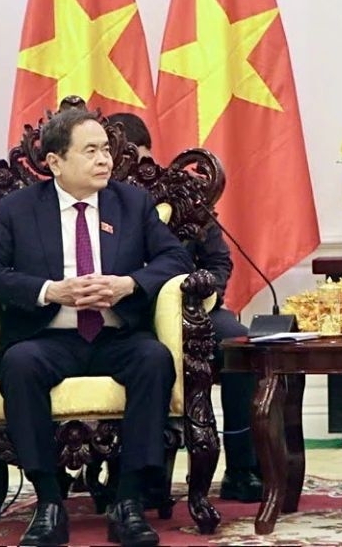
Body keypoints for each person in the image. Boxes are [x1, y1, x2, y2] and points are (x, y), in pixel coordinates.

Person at [0, 108, 193, 547]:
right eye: (90, 151)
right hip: (50, 336)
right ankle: (49, 502)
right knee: (19, 365)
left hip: (117, 335)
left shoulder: (132, 202)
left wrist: (129, 284)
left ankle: (128, 500)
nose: (104, 160)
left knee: (155, 359)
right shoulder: (19, 209)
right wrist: (50, 291)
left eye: (106, 149)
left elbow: (176, 259)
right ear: (55, 162)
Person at [106, 113, 265, 504]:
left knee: (237, 342)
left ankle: (242, 468)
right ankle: (141, 475)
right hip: (125, 315)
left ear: (149, 154)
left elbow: (218, 263)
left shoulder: (181, 194)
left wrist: (199, 296)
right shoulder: (98, 201)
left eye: (136, 159)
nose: (131, 171)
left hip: (193, 310)